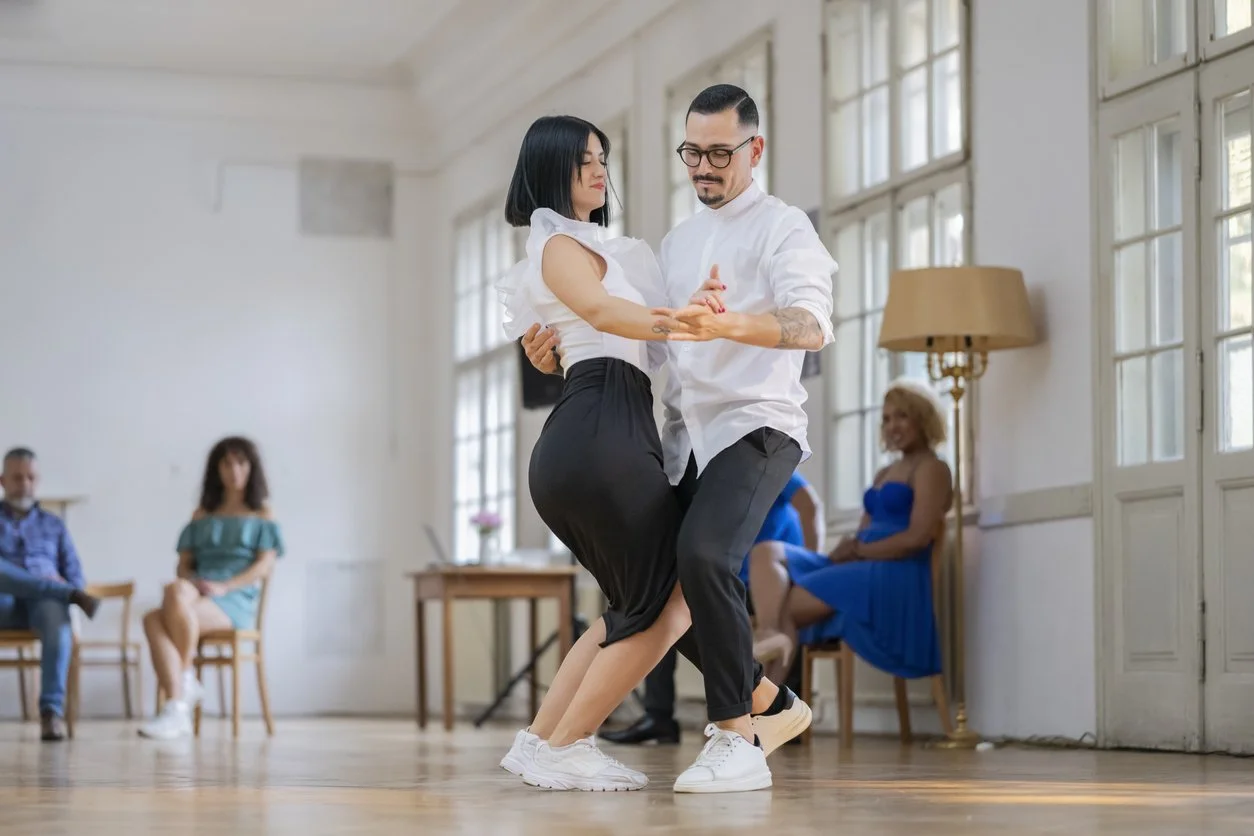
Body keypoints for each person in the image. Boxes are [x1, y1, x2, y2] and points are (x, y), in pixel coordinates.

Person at [520, 83, 835, 793]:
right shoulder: (677, 242)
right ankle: (771, 704)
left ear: (754, 149)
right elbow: (650, 341)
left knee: (701, 554)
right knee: (668, 593)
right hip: (688, 438)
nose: (703, 166)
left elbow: (810, 326)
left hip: (758, 427)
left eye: (720, 153)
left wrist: (730, 324)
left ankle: (736, 737)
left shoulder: (784, 228)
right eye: (692, 151)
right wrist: (559, 352)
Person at [748, 379, 952, 687]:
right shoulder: (885, 472)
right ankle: (769, 639)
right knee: (766, 551)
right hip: (863, 561)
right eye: (886, 419)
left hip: (895, 570)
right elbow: (866, 531)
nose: (892, 426)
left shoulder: (932, 468)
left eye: (901, 416)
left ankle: (765, 707)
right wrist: (848, 550)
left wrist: (859, 551)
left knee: (786, 604)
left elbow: (917, 538)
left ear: (922, 417)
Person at [601, 470, 823, 746]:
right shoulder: (709, 476)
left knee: (755, 621)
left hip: (768, 583)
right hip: (733, 578)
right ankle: (659, 717)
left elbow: (810, 505)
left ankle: (764, 709)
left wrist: (812, 569)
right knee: (662, 610)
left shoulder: (761, 461)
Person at [139, 437, 284, 740]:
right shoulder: (202, 515)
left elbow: (263, 566)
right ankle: (185, 686)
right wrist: (195, 583)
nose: (234, 470)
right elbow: (184, 565)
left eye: (241, 463)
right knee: (175, 592)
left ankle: (177, 705)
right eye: (227, 463)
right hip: (197, 590)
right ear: (216, 469)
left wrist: (224, 585)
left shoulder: (262, 515)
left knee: (154, 619)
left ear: (251, 468)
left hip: (235, 598)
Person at [0, 448, 100, 741]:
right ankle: (61, 592)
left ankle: (50, 712)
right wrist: (67, 590)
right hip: (2, 602)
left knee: (58, 620)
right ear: (3, 481)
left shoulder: (54, 525)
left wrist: (68, 582)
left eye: (31, 477)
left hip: (42, 607)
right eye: (18, 477)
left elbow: (76, 575)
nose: (25, 484)